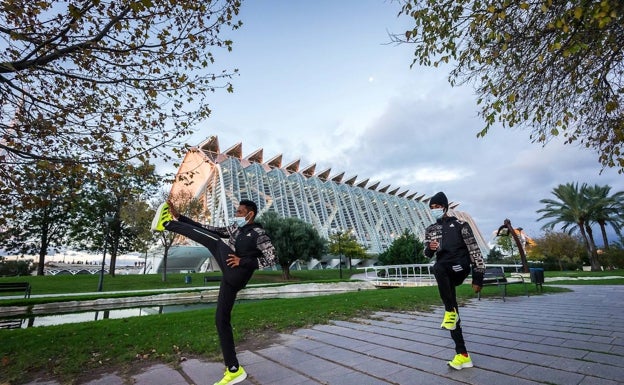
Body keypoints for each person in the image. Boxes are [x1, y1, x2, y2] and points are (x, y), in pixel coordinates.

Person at [151, 199, 277, 385]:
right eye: (237, 211)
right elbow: (208, 229)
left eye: (240, 212)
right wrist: (181, 217)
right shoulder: (236, 229)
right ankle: (234, 369)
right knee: (221, 319)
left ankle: (168, 224)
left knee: (216, 243)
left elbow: (272, 258)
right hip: (230, 275)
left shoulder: (259, 233)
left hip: (239, 272)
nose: (237, 214)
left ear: (250, 214)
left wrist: (243, 262)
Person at [424, 191, 485, 370]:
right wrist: (430, 248)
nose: (434, 210)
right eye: (432, 207)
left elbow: (474, 251)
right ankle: (462, 355)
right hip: (444, 271)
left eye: (437, 206)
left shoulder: (461, 225)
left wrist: (478, 277)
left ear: (445, 207)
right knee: (451, 311)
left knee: (438, 268)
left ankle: (450, 312)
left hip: (460, 266)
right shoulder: (430, 229)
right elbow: (427, 254)